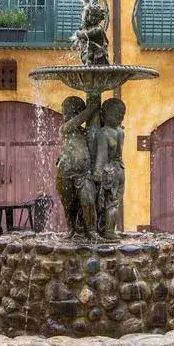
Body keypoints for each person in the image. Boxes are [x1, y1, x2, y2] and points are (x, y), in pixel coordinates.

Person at [55, 94, 99, 239]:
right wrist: (91, 108)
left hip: (83, 173)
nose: (66, 114)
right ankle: (72, 230)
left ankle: (91, 231)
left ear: (77, 111)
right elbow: (79, 120)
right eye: (65, 111)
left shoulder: (83, 131)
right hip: (65, 172)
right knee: (69, 204)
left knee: (88, 201)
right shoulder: (66, 128)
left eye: (70, 111)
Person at [94, 97, 126, 240]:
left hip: (108, 171)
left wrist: (96, 174)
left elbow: (101, 158)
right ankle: (110, 229)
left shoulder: (103, 133)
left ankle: (107, 231)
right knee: (115, 202)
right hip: (120, 169)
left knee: (107, 202)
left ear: (105, 113)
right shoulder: (120, 132)